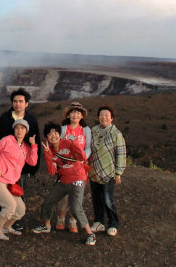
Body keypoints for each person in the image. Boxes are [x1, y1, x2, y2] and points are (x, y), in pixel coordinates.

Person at [31, 121, 96, 245]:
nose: (53, 136)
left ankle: (90, 234)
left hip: (77, 179)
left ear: (59, 134)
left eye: (56, 132)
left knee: (76, 208)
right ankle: (47, 226)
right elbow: (51, 171)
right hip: (63, 181)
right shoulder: (49, 150)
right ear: (47, 138)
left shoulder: (68, 143)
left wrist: (75, 144)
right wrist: (48, 155)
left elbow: (82, 157)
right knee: (48, 202)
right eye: (50, 134)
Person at [0, 88, 41, 231]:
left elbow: (35, 143)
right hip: (3, 165)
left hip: (21, 166)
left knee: (17, 191)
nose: (18, 104)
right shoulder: (5, 118)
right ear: (12, 103)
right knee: (0, 194)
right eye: (15, 101)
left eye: (21, 101)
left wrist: (32, 168)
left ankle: (13, 221)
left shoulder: (31, 120)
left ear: (26, 104)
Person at [0, 119, 38, 240]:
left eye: (22, 128)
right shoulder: (7, 140)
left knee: (20, 210)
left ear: (26, 131)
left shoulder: (25, 147)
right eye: (17, 128)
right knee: (10, 206)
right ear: (14, 130)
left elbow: (32, 161)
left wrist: (34, 146)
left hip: (10, 182)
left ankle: (6, 227)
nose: (19, 131)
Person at [88, 105, 127, 237]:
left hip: (108, 171)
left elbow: (121, 154)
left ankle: (113, 223)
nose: (103, 117)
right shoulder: (93, 131)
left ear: (112, 118)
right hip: (93, 171)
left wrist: (118, 173)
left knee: (107, 199)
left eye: (106, 115)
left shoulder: (116, 134)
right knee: (96, 199)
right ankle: (99, 222)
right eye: (101, 115)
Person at [55, 102, 91, 233]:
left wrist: (82, 159)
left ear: (82, 116)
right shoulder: (63, 129)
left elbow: (88, 147)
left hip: (80, 168)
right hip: (65, 167)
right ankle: (60, 219)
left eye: (78, 113)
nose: (75, 115)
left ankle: (73, 221)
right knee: (64, 195)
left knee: (77, 195)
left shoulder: (86, 130)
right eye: (73, 112)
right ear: (68, 115)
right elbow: (57, 145)